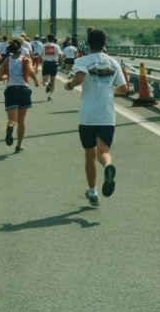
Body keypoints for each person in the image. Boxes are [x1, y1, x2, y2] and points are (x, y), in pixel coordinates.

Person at [64, 29, 128, 206]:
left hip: (88, 116)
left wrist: (70, 85)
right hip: (107, 115)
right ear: (105, 42)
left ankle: (92, 191)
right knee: (103, 153)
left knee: (89, 154)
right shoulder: (113, 63)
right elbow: (124, 89)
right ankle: (108, 167)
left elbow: (80, 76)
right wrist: (109, 91)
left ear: (88, 43)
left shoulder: (82, 61)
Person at [0, 39, 40, 153]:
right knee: (21, 120)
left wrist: (7, 76)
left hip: (11, 90)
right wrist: (36, 81)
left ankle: (10, 126)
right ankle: (19, 145)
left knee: (12, 119)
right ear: (21, 50)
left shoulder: (7, 60)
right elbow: (31, 71)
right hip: (23, 90)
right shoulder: (25, 60)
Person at [41, 34, 63, 101]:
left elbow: (41, 54)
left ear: (47, 39)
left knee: (44, 81)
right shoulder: (56, 46)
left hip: (46, 62)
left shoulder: (43, 46)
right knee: (53, 80)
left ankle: (47, 84)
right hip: (53, 63)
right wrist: (60, 62)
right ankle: (50, 96)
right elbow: (60, 55)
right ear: (53, 39)